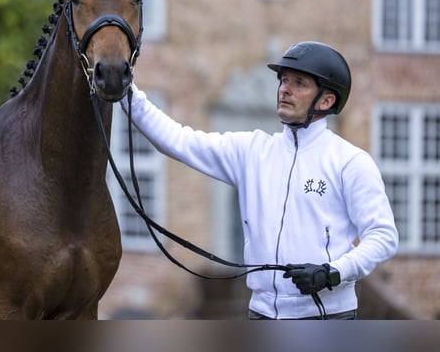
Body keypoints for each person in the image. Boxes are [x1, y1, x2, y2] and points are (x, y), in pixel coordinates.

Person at [121, 41, 398, 319]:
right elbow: (178, 140)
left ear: (326, 100)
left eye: (299, 83)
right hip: (261, 314)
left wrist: (333, 273)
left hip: (326, 317)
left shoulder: (351, 162)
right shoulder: (252, 151)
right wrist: (124, 89)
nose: (284, 89)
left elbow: (383, 237)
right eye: (284, 80)